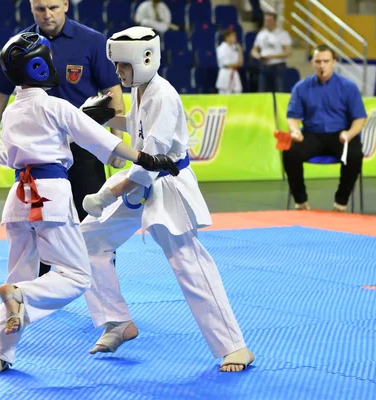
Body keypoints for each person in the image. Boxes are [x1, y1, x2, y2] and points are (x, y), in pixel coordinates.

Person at [0, 32, 178, 374]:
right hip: (50, 198)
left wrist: (86, 114)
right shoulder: (55, 106)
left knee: (19, 275)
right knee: (76, 276)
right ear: (40, 67)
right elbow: (101, 139)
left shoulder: (13, 112)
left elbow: (66, 127)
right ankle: (23, 301)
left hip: (17, 201)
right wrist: (145, 158)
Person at [79, 26, 254, 373]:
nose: (118, 73)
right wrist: (106, 117)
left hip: (167, 184)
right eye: (117, 66)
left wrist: (105, 193)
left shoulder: (163, 94)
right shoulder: (143, 90)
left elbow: (149, 163)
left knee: (188, 262)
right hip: (142, 183)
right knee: (87, 241)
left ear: (145, 59)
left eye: (123, 67)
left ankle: (235, 347)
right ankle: (117, 321)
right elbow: (140, 128)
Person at [0, 0, 125, 277]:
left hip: (83, 149)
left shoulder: (92, 41)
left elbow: (112, 91)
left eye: (54, 7)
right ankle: (37, 292)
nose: (47, 14)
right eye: (40, 9)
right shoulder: (19, 45)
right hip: (41, 152)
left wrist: (116, 140)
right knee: (36, 224)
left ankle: (105, 291)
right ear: (31, 8)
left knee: (93, 221)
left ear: (66, 5)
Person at [284, 44, 367, 211]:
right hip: (312, 135)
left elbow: (360, 118)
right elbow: (293, 117)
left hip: (340, 136)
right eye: (318, 61)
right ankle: (301, 202)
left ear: (334, 62)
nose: (322, 65)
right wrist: (295, 131)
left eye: (326, 61)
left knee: (355, 153)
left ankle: (341, 203)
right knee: (290, 151)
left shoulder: (348, 87)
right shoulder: (301, 87)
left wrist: (349, 134)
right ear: (312, 63)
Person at [250, 12, 292, 93]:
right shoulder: (261, 34)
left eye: (269, 20)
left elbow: (288, 51)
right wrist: (258, 56)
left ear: (274, 21)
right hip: (264, 66)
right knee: (262, 92)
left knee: (279, 91)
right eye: (265, 20)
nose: (266, 22)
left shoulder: (282, 34)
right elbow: (254, 50)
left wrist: (273, 56)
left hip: (277, 66)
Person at [215, 28, 243, 95]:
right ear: (227, 37)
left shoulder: (234, 48)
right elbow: (227, 64)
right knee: (225, 97)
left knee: (237, 94)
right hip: (225, 73)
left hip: (234, 73)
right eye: (233, 36)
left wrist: (240, 50)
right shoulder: (222, 48)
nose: (235, 38)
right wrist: (236, 64)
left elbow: (240, 63)